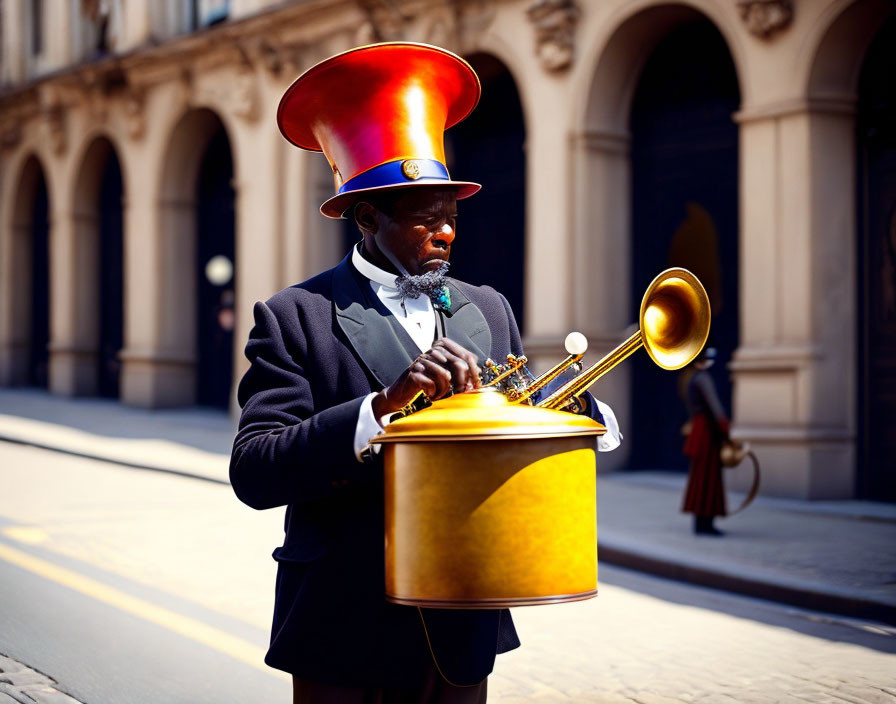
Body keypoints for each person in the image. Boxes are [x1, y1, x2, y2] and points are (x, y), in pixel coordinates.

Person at [230, 42, 620, 702]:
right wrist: (382, 407)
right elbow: (255, 471)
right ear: (368, 217)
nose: (446, 234)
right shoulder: (294, 315)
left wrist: (572, 418)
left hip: (465, 624)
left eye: (452, 217)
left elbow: (508, 435)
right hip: (344, 626)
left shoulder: (488, 307)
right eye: (425, 218)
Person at [681, 346, 730, 535]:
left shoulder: (689, 378)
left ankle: (700, 523)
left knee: (699, 477)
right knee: (708, 477)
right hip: (707, 431)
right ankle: (706, 523)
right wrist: (725, 429)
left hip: (699, 429)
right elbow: (716, 408)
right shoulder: (703, 378)